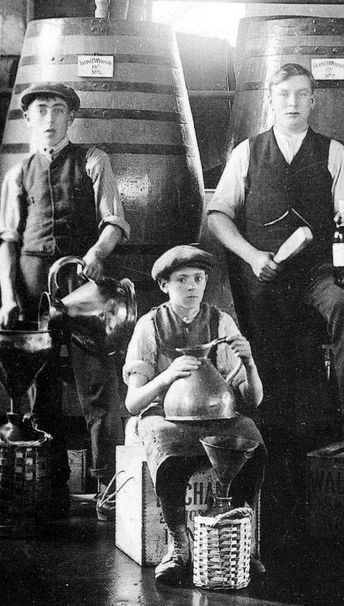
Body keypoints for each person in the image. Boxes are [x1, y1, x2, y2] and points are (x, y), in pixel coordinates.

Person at [207, 63, 344, 456]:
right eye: (284, 94)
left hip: (318, 274)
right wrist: (251, 255)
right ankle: (262, 437)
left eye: (300, 94)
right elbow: (217, 216)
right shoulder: (247, 152)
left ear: (313, 101)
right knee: (270, 366)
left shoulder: (334, 152)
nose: (292, 102)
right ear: (272, 101)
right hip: (264, 274)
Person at [0, 82, 130, 520]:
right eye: (41, 112)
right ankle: (49, 487)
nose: (50, 119)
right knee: (40, 396)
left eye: (58, 110)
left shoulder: (94, 160)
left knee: (100, 389)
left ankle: (107, 488)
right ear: (29, 119)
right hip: (33, 290)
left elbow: (114, 222)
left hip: (82, 285)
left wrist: (98, 253)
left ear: (71, 118)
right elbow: (8, 243)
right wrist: (7, 296)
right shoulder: (17, 173)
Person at [122, 245, 265, 587]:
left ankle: (237, 536)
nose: (192, 286)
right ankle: (178, 543)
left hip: (217, 417)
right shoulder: (150, 325)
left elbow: (252, 400)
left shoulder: (220, 322)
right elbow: (132, 403)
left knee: (252, 440)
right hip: (163, 417)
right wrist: (168, 375)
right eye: (182, 279)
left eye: (198, 278)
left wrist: (248, 362)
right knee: (167, 447)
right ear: (164, 285)